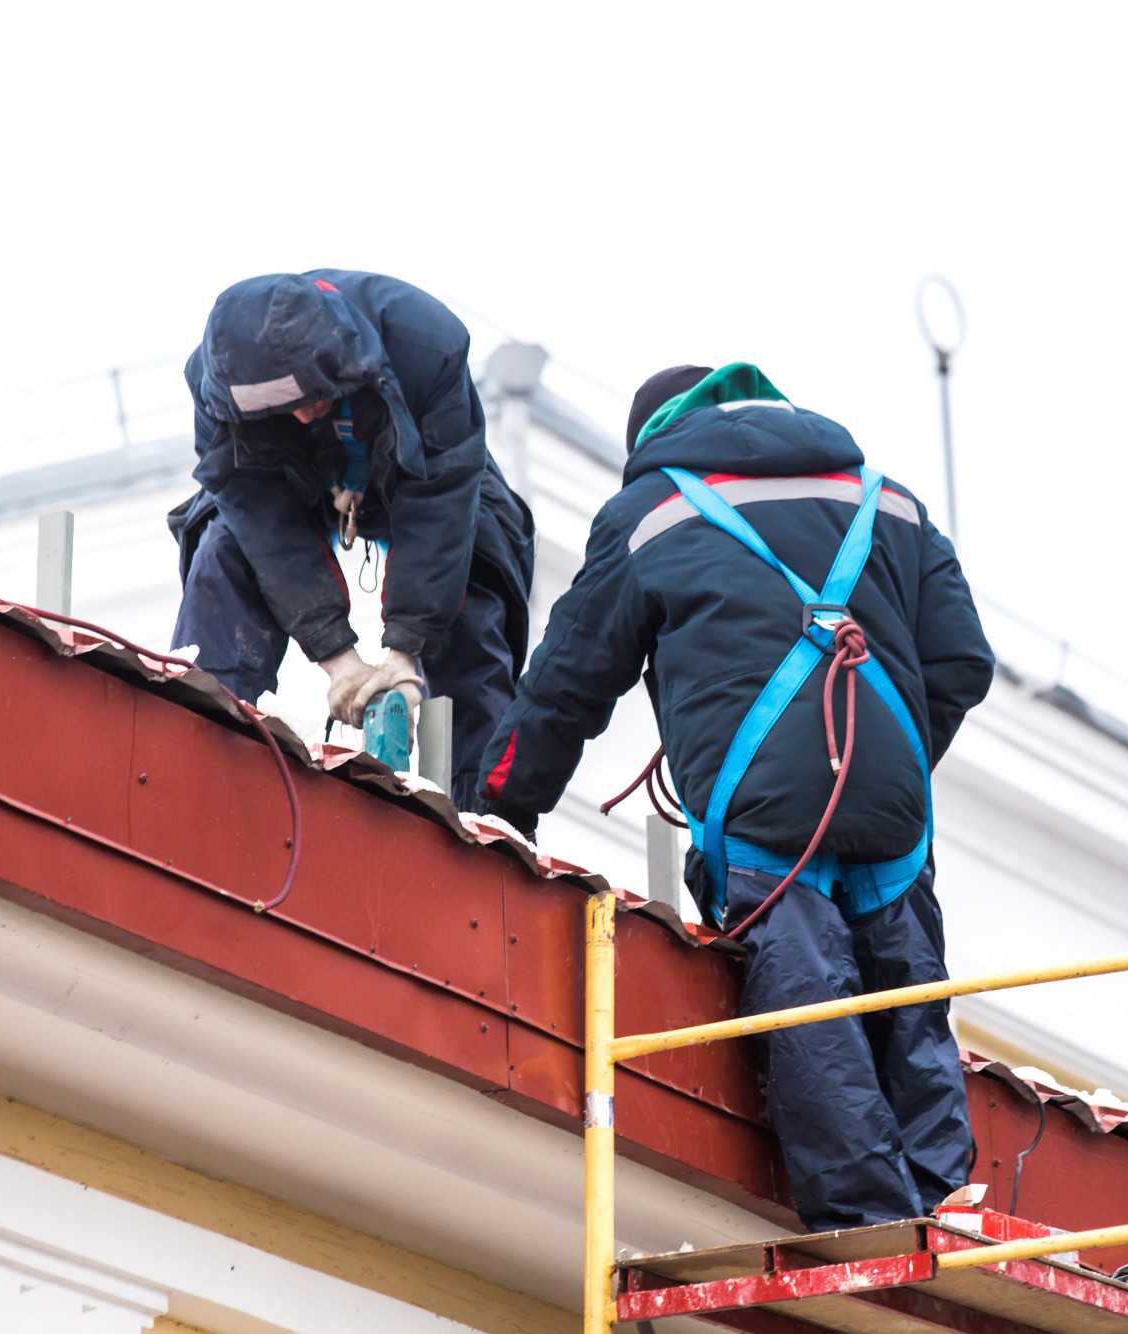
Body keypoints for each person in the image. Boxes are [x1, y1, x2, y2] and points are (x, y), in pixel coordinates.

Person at [474, 363, 995, 1231]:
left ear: (657, 440)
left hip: (761, 814)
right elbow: (963, 660)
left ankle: (869, 1221)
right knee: (904, 992)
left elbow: (565, 686)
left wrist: (504, 805)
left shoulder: (652, 512)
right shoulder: (887, 498)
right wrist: (889, 764)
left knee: (809, 998)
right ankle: (945, 1202)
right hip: (891, 798)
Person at [167, 270, 535, 808]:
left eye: (311, 398)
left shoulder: (426, 344)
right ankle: (199, 761)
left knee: (475, 570)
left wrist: (404, 651)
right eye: (282, 410)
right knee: (222, 549)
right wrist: (338, 659)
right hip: (295, 481)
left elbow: (437, 505)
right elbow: (268, 534)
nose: (301, 414)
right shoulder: (216, 393)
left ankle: (490, 816)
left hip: (421, 474)